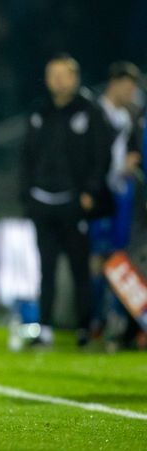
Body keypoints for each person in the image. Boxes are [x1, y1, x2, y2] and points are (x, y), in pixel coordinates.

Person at [20, 53, 112, 347]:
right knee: (45, 267)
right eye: (53, 74)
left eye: (64, 74)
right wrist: (27, 195)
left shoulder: (90, 111)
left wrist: (90, 192)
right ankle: (44, 326)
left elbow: (102, 155)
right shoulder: (39, 111)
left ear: (75, 77)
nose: (58, 80)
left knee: (79, 267)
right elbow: (26, 158)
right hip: (42, 200)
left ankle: (85, 327)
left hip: (75, 201)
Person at [89, 61, 143, 345]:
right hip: (99, 196)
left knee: (118, 259)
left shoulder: (130, 117)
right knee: (96, 259)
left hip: (123, 197)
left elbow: (132, 152)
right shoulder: (94, 113)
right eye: (128, 86)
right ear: (115, 82)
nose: (132, 92)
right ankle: (93, 319)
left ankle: (114, 319)